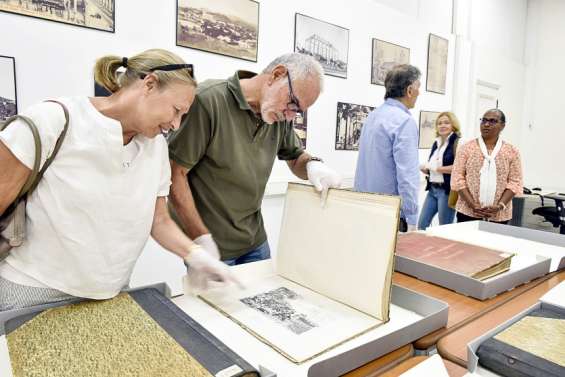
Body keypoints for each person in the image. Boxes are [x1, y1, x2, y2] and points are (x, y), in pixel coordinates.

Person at [0, 49, 235, 311]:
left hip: (110, 293)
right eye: (176, 110)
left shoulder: (156, 147)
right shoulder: (54, 120)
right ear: (149, 84)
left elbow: (158, 220)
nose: (176, 124)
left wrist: (196, 254)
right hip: (33, 290)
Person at [168, 53, 341, 266]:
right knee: (215, 301)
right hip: (211, 243)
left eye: (298, 112)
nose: (289, 116)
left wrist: (314, 165)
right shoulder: (208, 101)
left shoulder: (278, 116)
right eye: (292, 103)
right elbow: (174, 175)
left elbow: (295, 158)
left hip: (255, 241)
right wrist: (200, 239)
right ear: (277, 75)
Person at [354, 64, 421, 232]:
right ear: (410, 90)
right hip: (390, 213)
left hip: (364, 207)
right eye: (419, 88)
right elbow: (407, 175)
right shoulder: (404, 122)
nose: (419, 93)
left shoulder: (372, 117)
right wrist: (411, 217)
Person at [451, 109, 523, 224]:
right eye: (483, 120)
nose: (486, 124)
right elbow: (457, 178)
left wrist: (500, 206)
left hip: (499, 214)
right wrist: (472, 204)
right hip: (468, 211)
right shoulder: (467, 148)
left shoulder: (511, 151)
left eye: (492, 121)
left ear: (502, 126)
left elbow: (515, 181)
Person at [417, 112, 462, 229]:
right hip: (432, 190)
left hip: (447, 192)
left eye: (446, 123)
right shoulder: (436, 143)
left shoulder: (458, 142)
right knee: (422, 225)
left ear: (453, 125)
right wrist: (425, 169)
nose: (442, 126)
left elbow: (458, 168)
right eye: (439, 123)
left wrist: (435, 168)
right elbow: (432, 168)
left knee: (444, 228)